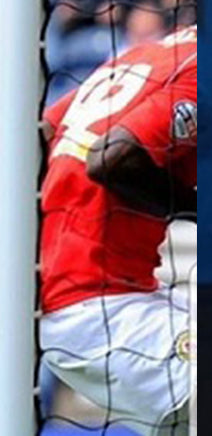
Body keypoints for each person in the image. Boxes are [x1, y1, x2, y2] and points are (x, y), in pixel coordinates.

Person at [39, 26, 196, 435]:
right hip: (99, 309)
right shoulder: (200, 72)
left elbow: (44, 132)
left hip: (96, 295)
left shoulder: (149, 55)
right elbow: (110, 158)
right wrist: (198, 210)